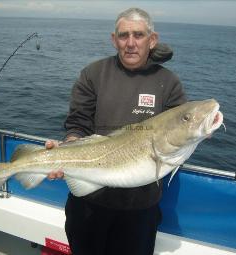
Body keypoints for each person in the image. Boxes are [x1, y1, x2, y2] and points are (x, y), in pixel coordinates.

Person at [46, 7, 187, 255]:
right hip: (89, 204)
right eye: (123, 35)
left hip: (140, 209)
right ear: (114, 39)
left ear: (152, 39)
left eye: (139, 35)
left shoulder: (169, 83)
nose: (130, 43)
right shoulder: (93, 74)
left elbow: (181, 131)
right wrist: (67, 147)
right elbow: (78, 124)